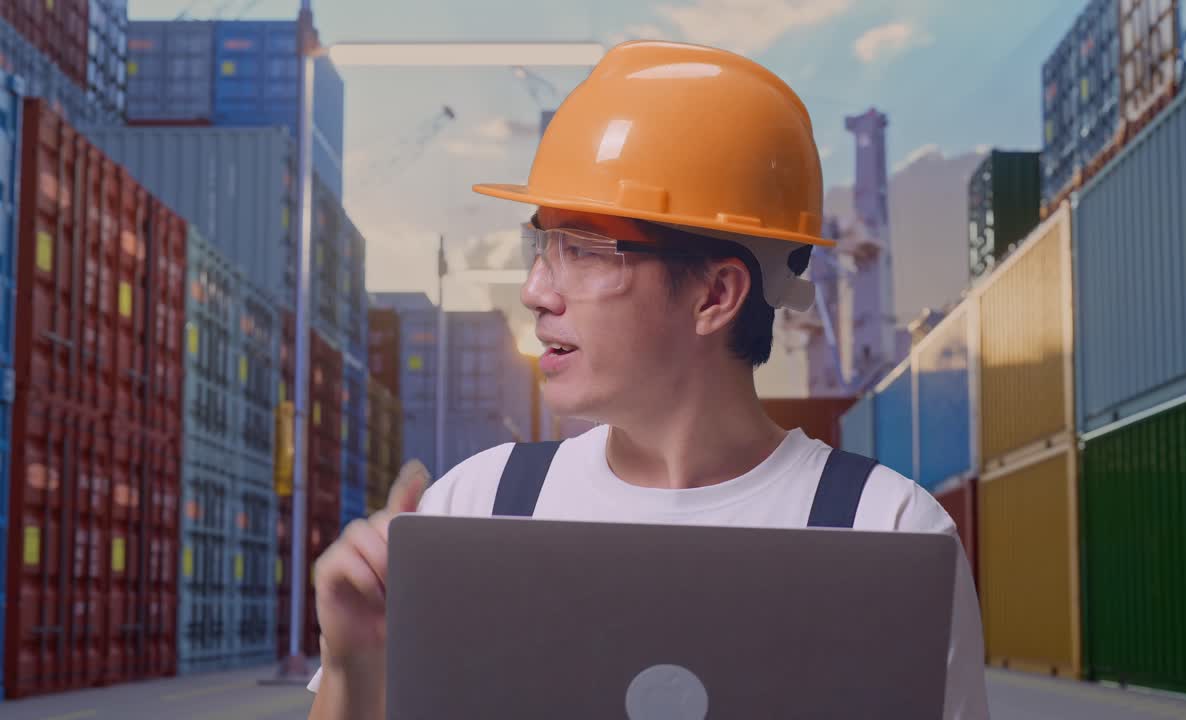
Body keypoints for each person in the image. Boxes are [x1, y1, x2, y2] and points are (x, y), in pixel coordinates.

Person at [307, 39, 989, 719]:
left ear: (715, 296)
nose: (535, 290)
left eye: (580, 249)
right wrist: (354, 669)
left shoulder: (891, 534)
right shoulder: (474, 507)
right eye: (540, 245)